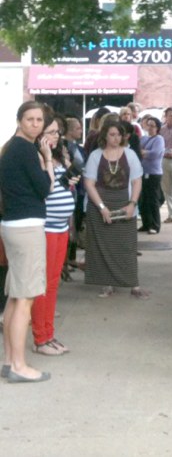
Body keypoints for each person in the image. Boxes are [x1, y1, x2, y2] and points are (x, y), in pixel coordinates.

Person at [0, 101, 55, 383]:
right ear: (20, 120)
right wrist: (47, 158)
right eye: (30, 119)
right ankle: (19, 366)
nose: (35, 124)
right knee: (25, 299)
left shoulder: (12, 148)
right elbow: (45, 188)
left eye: (39, 120)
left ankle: (10, 361)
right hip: (26, 227)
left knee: (14, 298)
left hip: (13, 224)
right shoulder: (24, 149)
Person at [31, 114, 78, 356]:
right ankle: (41, 336)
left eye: (57, 132)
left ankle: (49, 333)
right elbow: (45, 188)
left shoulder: (57, 156)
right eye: (50, 132)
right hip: (47, 227)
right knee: (44, 284)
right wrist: (49, 159)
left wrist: (70, 176)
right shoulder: (39, 157)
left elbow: (62, 184)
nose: (55, 136)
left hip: (60, 226)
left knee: (53, 283)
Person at [83, 121, 146, 299]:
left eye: (118, 134)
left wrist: (132, 203)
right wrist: (102, 207)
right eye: (112, 134)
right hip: (100, 203)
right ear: (104, 136)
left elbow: (137, 180)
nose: (116, 138)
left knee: (127, 245)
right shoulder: (96, 155)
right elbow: (89, 183)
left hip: (124, 201)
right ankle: (107, 283)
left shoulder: (130, 154)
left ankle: (133, 283)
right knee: (102, 246)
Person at [64, 117, 86, 272]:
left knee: (75, 224)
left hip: (78, 190)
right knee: (70, 225)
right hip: (72, 190)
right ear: (70, 130)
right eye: (78, 128)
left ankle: (70, 257)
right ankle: (67, 259)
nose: (80, 130)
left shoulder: (77, 146)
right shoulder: (66, 146)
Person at [138, 116, 165, 234]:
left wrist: (145, 152)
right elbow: (138, 151)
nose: (150, 128)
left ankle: (155, 224)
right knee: (143, 200)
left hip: (154, 173)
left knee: (153, 199)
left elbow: (155, 153)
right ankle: (146, 223)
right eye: (148, 125)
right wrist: (143, 152)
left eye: (152, 125)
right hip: (143, 172)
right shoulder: (143, 138)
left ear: (157, 128)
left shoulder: (159, 139)